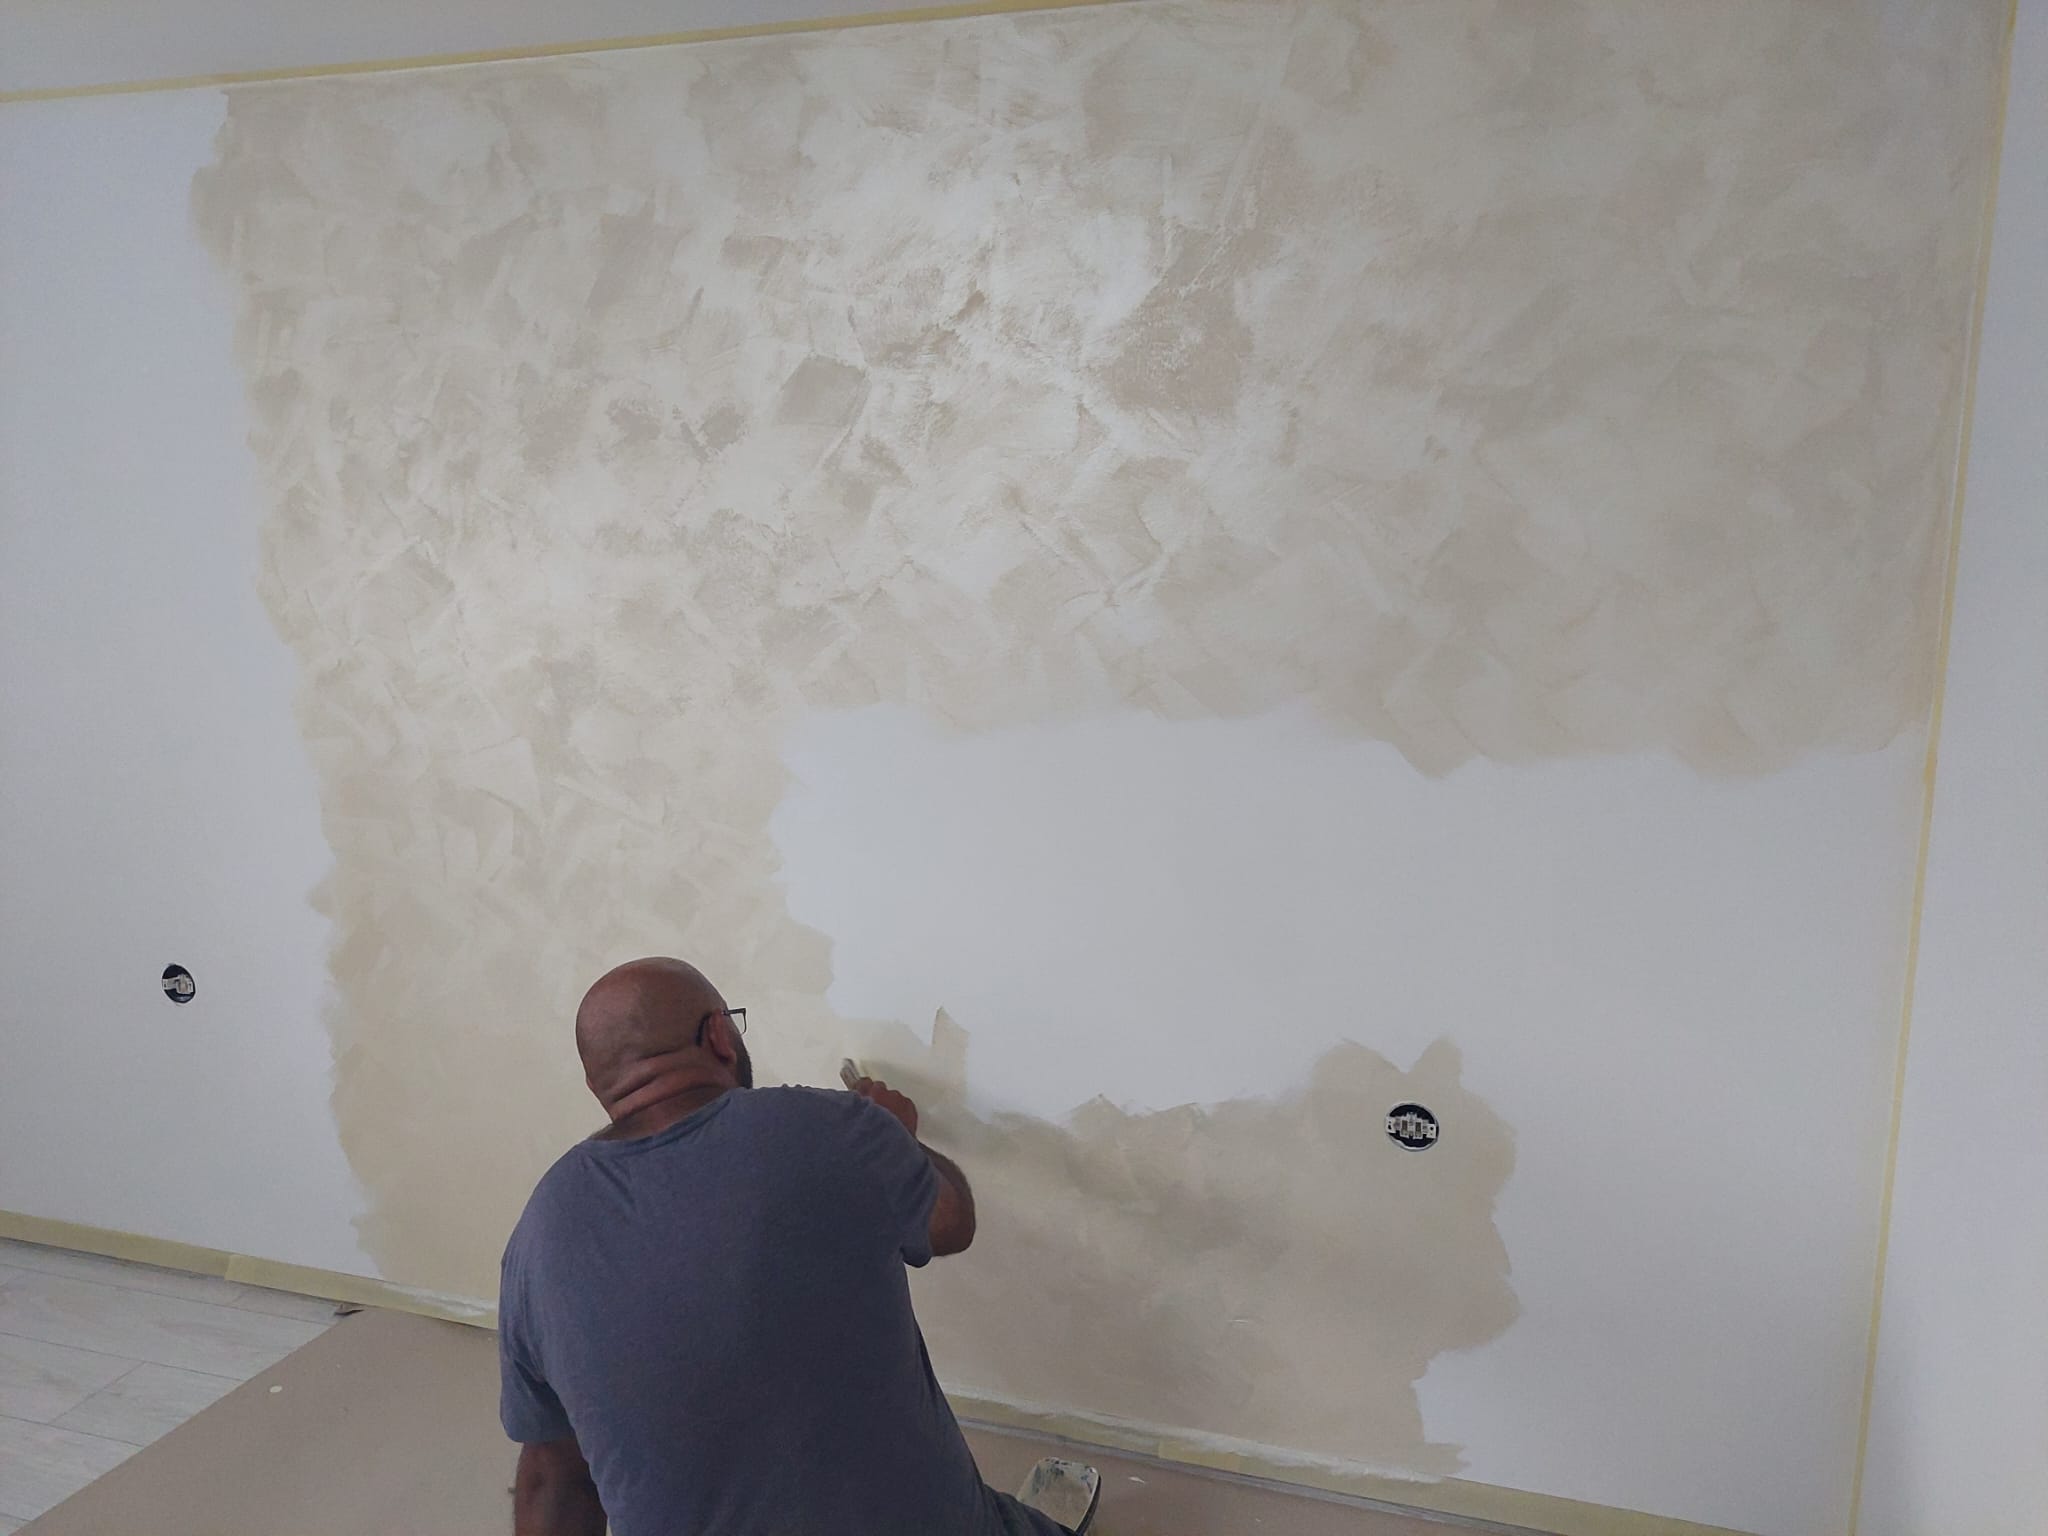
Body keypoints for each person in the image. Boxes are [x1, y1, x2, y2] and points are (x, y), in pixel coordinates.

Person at [497, 956, 1088, 1536]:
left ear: (599, 1083)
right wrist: (897, 1136)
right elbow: (952, 1222)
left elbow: (552, 1479)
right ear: (720, 1035)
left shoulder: (539, 1232)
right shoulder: (833, 1129)